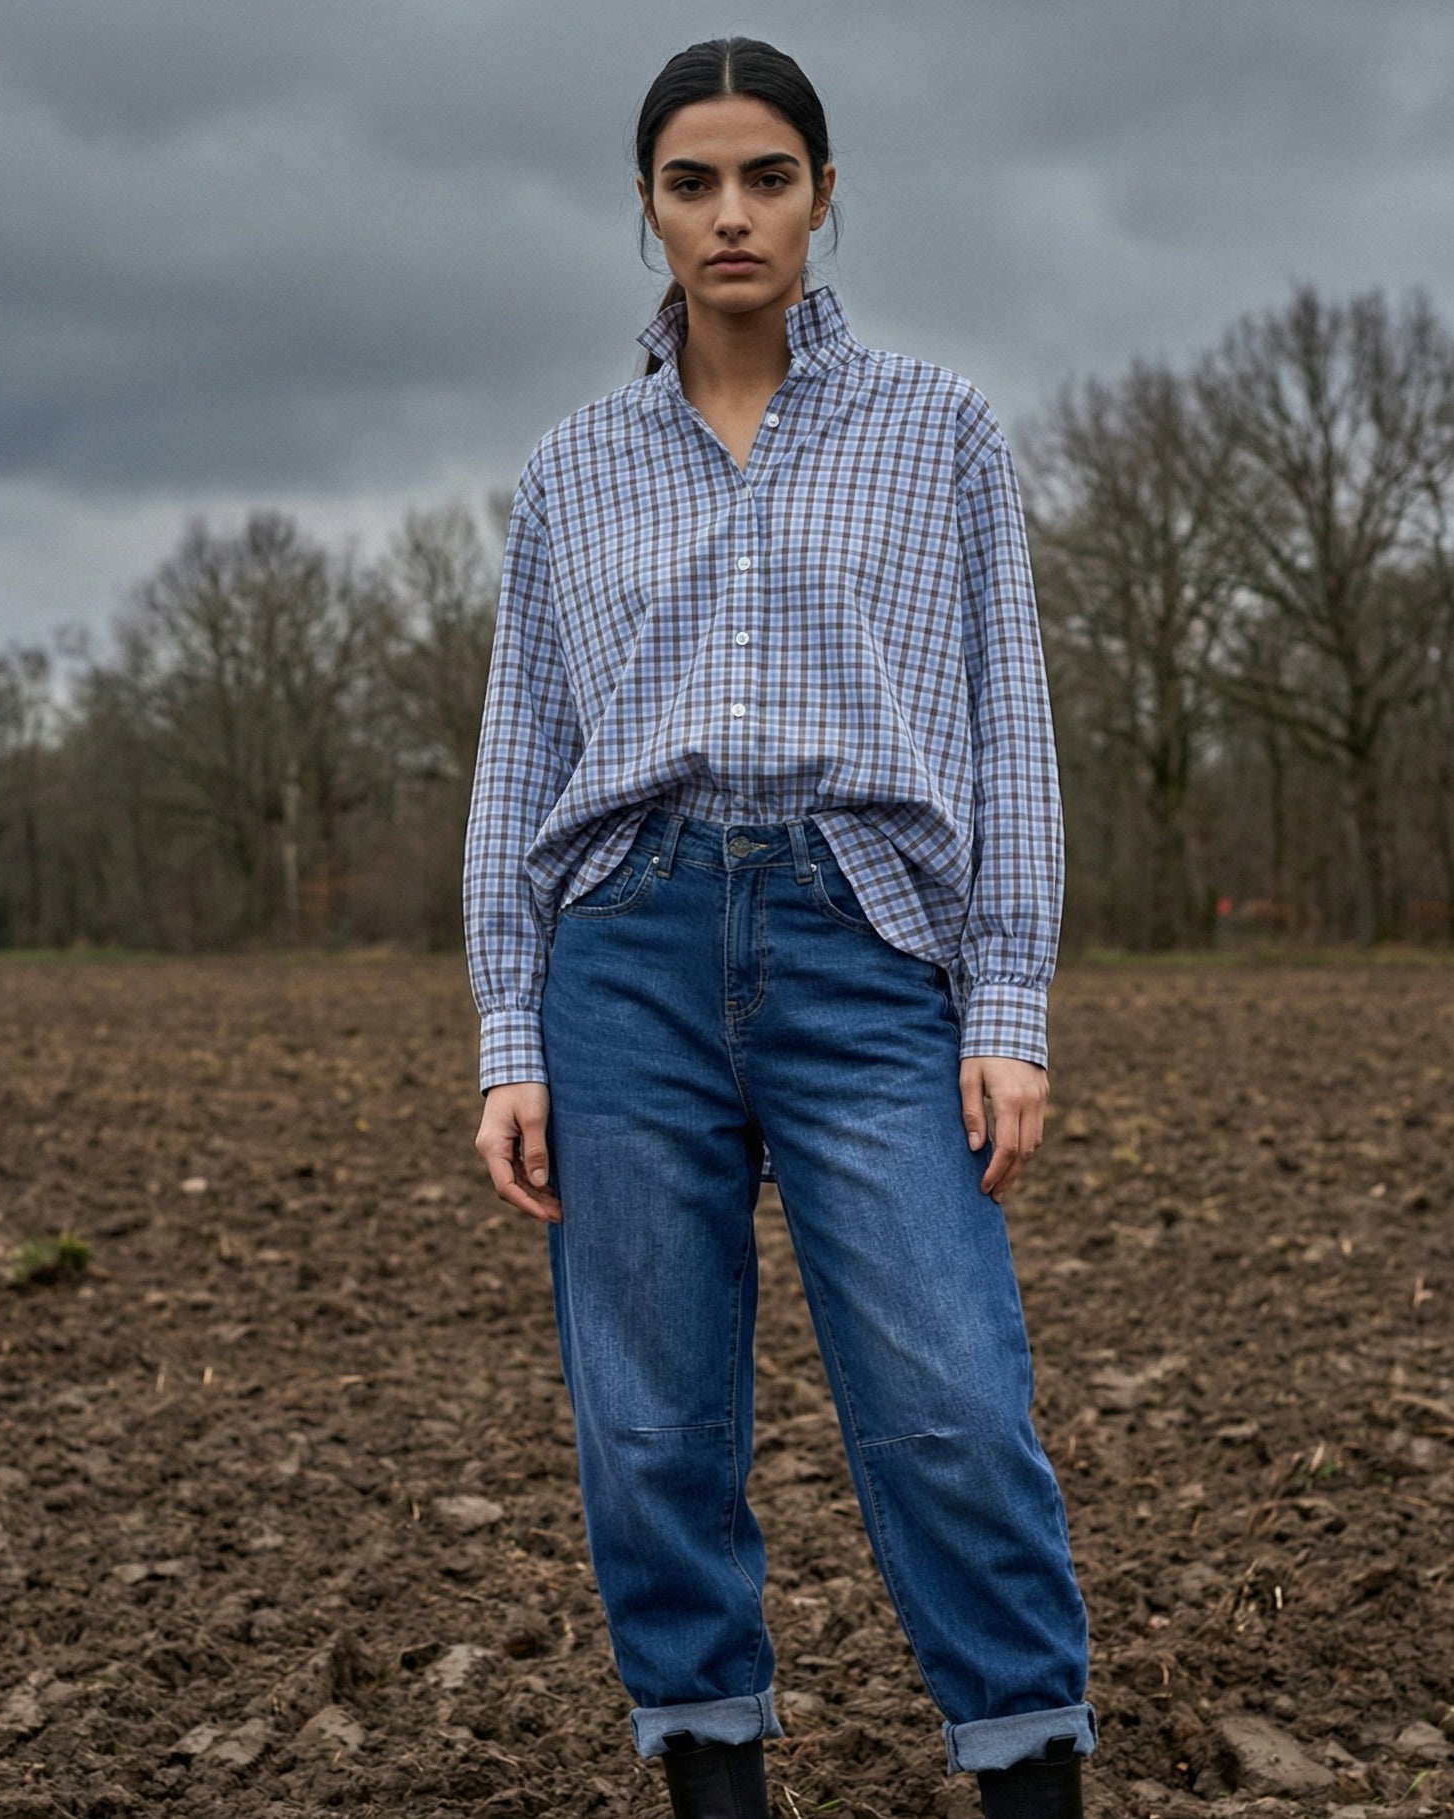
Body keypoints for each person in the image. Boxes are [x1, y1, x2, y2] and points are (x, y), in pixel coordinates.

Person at [465, 36, 1094, 1819]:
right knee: (651, 1431)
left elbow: (1006, 735)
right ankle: (712, 1782)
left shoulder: (941, 432)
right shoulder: (571, 469)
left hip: (865, 939)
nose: (729, 215)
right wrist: (512, 1033)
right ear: (647, 210)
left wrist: (1007, 1002)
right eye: (690, 182)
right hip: (625, 953)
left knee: (953, 1406)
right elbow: (521, 763)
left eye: (765, 177)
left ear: (825, 194)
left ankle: (1026, 1773)